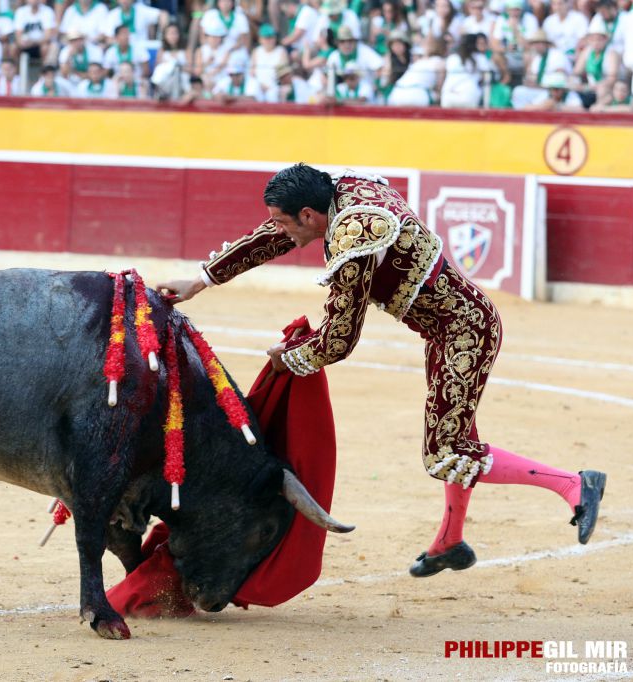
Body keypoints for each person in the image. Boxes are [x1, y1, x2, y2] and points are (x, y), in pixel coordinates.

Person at [157, 163, 607, 575]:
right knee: (456, 439)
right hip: (450, 330)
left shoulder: (355, 236)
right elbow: (279, 234)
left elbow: (338, 340)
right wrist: (201, 280)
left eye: (283, 219)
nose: (278, 228)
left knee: (446, 453)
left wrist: (288, 357)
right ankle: (449, 542)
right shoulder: (339, 192)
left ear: (311, 215)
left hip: (465, 333)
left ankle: (573, 484)